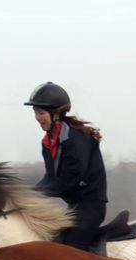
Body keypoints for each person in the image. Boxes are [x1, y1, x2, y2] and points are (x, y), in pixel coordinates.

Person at [25, 82, 108, 251]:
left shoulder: (75, 139)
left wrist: (30, 195)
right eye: (35, 113)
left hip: (91, 207)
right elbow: (50, 178)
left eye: (41, 113)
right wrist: (26, 194)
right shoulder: (48, 142)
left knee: (70, 248)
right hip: (74, 206)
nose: (37, 118)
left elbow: (70, 180)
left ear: (56, 114)